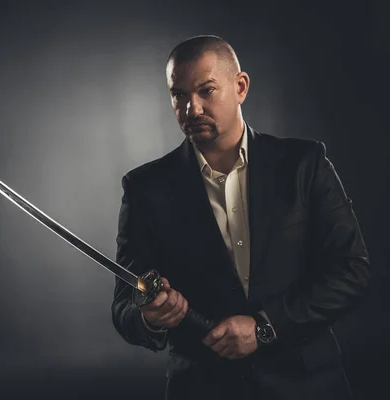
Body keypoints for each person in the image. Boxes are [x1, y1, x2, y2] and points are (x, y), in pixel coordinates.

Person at [111, 35, 371, 400]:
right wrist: (150, 317)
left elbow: (352, 269)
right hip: (203, 389)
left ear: (240, 87)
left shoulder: (304, 164)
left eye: (206, 90)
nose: (191, 109)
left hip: (308, 385)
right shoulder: (145, 188)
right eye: (179, 95)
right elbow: (124, 306)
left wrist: (266, 327)